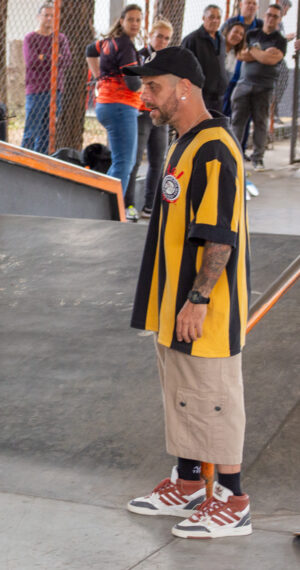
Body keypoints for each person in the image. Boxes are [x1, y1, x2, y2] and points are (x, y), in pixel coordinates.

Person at [124, 46, 252, 540]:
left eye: (152, 86)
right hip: (171, 301)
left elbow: (220, 236)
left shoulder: (215, 148)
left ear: (183, 88)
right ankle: (189, 481)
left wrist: (198, 300)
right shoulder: (185, 141)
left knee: (213, 396)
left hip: (205, 308)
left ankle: (234, 500)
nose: (144, 95)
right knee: (184, 394)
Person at [86, 4, 144, 222]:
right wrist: (146, 84)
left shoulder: (110, 42)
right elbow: (131, 83)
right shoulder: (126, 46)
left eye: (138, 20)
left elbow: (90, 50)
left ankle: (107, 209)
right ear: (121, 21)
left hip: (107, 105)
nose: (135, 24)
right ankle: (110, 214)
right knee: (124, 163)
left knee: (119, 161)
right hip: (120, 106)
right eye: (131, 19)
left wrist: (99, 76)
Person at [231, 3, 287, 172]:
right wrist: (262, 52)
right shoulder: (252, 34)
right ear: (265, 15)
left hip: (264, 88)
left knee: (260, 124)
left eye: (275, 16)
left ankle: (258, 159)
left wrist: (253, 51)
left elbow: (271, 60)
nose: (271, 18)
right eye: (269, 14)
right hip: (244, 85)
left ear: (280, 19)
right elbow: (240, 55)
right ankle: (234, 156)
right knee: (237, 123)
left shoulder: (280, 40)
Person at [126, 20, 173, 220]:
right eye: (159, 36)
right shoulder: (140, 56)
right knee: (134, 160)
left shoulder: (169, 60)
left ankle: (150, 205)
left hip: (160, 114)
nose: (162, 41)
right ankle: (128, 205)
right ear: (150, 35)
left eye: (167, 38)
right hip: (142, 112)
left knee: (158, 160)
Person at [21, 2, 71, 154]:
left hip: (56, 90)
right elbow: (32, 62)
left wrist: (44, 57)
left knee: (46, 132)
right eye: (46, 15)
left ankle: (39, 162)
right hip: (36, 90)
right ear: (38, 17)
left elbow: (67, 61)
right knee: (31, 130)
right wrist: (55, 58)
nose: (49, 19)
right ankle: (24, 160)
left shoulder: (60, 38)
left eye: (52, 16)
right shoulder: (30, 38)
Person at [222, 0, 263, 157]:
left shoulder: (259, 25)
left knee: (244, 116)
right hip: (228, 78)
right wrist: (256, 54)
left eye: (254, 3)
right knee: (225, 114)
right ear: (241, 5)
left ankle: (240, 149)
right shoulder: (231, 22)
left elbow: (265, 49)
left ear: (257, 7)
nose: (251, 6)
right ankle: (223, 148)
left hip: (248, 79)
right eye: (248, 3)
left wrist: (256, 54)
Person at [182, 5, 227, 113]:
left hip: (218, 97)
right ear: (203, 18)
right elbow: (183, 68)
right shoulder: (191, 40)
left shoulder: (221, 39)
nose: (215, 20)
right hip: (200, 96)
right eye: (211, 17)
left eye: (218, 17)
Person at [223, 20, 248, 117]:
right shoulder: (218, 48)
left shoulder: (235, 53)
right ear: (228, 31)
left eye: (241, 34)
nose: (238, 36)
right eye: (235, 32)